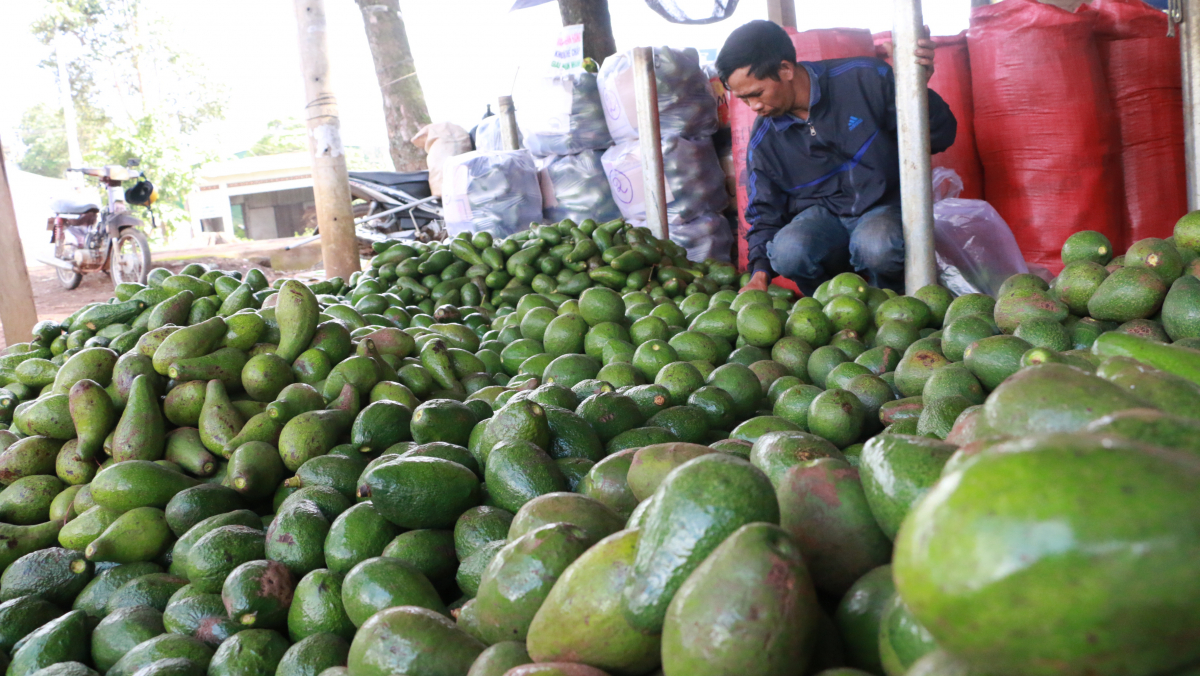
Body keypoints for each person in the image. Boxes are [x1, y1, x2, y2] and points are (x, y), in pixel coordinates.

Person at [716, 20, 957, 296]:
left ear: (785, 69)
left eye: (756, 94)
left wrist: (918, 90)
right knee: (787, 253)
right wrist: (758, 274)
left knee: (877, 246)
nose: (754, 107)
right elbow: (763, 211)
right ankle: (832, 311)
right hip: (824, 221)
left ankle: (895, 303)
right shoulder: (764, 139)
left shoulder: (865, 79)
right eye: (744, 100)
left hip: (884, 206)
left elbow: (941, 136)